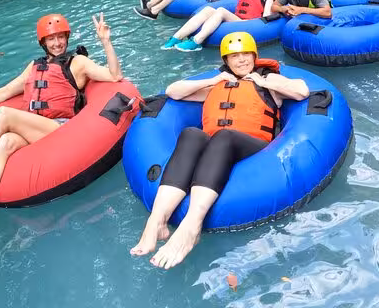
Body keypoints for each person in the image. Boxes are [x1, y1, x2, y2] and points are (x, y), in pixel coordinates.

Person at [130, 32, 310, 269]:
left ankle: (192, 226)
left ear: (255, 56)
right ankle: (158, 220)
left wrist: (263, 81)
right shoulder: (218, 85)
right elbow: (173, 91)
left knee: (223, 137)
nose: (242, 60)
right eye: (235, 56)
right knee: (191, 134)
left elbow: (301, 91)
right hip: (217, 150)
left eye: (246, 53)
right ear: (226, 61)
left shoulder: (269, 84)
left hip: (255, 149)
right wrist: (212, 81)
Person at [0, 13, 123, 252]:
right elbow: (8, 89)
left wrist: (105, 41)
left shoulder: (78, 63)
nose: (57, 43)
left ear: (67, 37)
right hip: (36, 128)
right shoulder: (35, 67)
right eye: (51, 39)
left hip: (61, 129)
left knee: (2, 115)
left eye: (61, 37)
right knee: (5, 142)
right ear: (43, 42)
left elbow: (115, 76)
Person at [161, 0, 277, 52]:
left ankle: (197, 41)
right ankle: (176, 38)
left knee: (221, 10)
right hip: (238, 19)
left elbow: (265, 18)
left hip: (249, 24)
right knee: (208, 9)